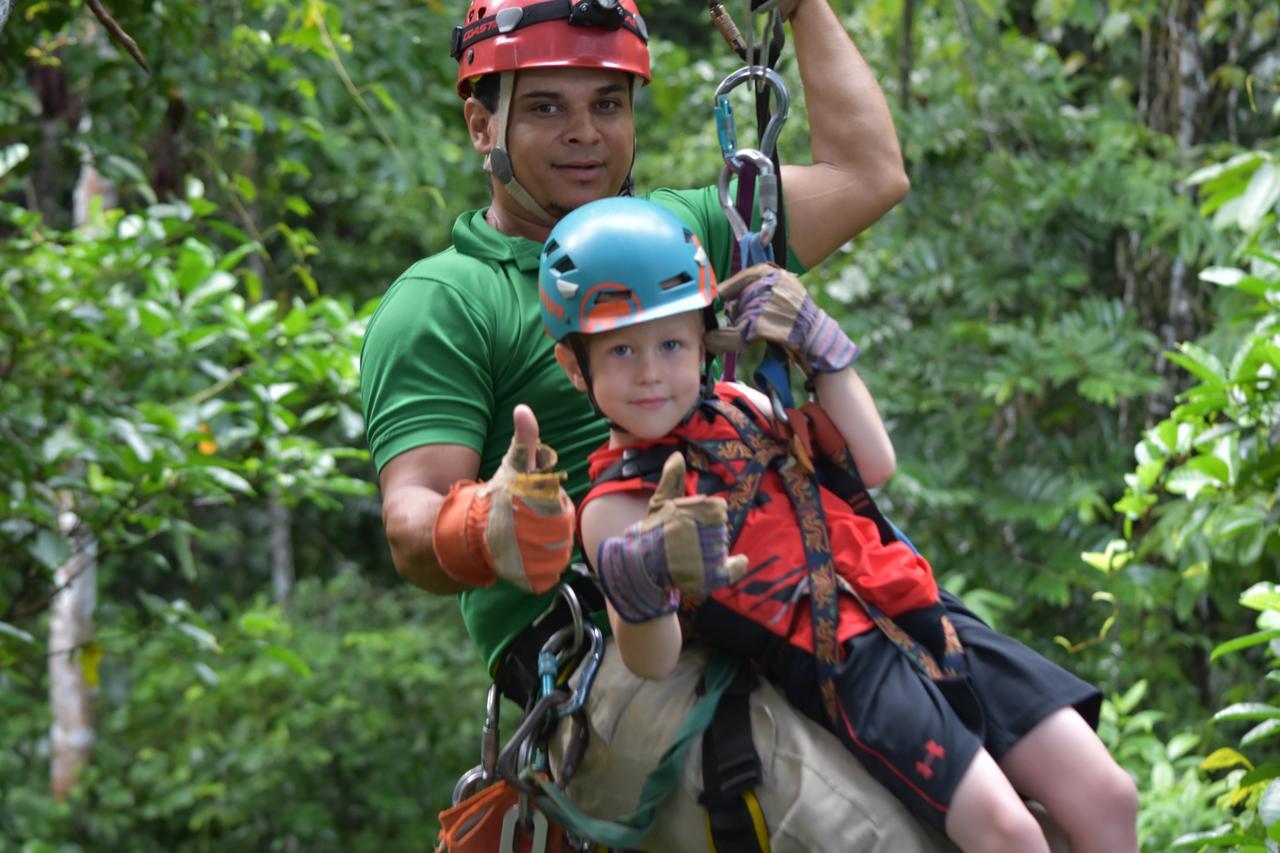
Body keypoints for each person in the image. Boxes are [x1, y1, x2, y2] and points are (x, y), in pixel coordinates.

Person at [360, 0, 963, 846]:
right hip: (609, 649)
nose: (585, 133)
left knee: (1027, 793)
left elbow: (869, 174)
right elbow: (409, 518)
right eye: (545, 107)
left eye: (607, 104)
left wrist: (803, 8)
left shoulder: (681, 236)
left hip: (774, 585)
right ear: (478, 124)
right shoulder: (447, 301)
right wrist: (487, 523)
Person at [543, 196, 1140, 853]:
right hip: (844, 662)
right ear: (577, 366)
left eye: (672, 342)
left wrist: (822, 350)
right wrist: (642, 576)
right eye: (622, 349)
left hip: (925, 610)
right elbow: (651, 659)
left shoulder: (741, 404)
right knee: (1010, 836)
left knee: (1109, 796)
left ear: (705, 339)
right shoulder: (613, 504)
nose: (652, 370)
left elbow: (874, 462)